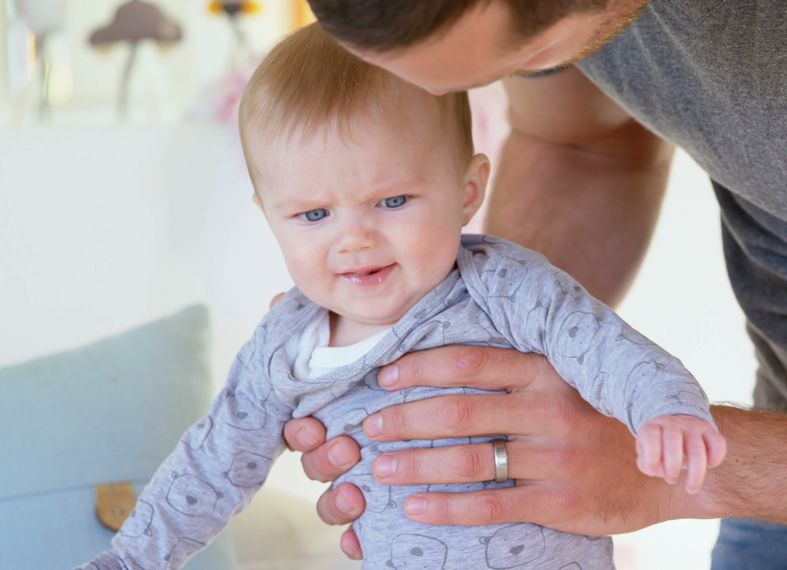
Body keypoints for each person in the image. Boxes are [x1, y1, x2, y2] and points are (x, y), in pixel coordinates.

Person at [285, 0, 787, 567]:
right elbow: (580, 144)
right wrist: (463, 366)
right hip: (784, 484)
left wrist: (674, 472)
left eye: (527, 61)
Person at [78, 23, 725, 570]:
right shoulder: (286, 344)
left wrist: (663, 408)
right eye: (311, 215)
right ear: (267, 214)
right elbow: (214, 463)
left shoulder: (499, 285)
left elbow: (599, 347)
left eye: (392, 201)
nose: (354, 239)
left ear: (467, 190)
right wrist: (133, 556)